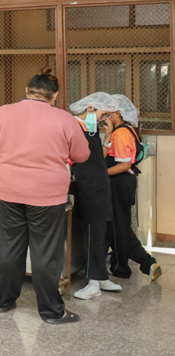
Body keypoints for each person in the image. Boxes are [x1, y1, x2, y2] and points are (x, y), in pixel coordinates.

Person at [0, 69, 88, 324]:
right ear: (55, 95)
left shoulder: (2, 112)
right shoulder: (65, 119)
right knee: (46, 252)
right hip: (47, 196)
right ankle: (52, 311)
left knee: (10, 247)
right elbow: (81, 154)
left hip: (9, 191)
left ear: (27, 91)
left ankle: (2, 301)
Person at [68, 93, 122, 300]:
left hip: (98, 185)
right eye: (103, 114)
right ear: (90, 108)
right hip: (87, 186)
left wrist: (107, 139)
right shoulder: (73, 127)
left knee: (101, 232)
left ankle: (100, 277)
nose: (104, 119)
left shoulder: (90, 129)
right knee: (94, 231)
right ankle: (94, 283)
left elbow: (97, 156)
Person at [106, 95, 161, 281]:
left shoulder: (120, 133)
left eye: (108, 111)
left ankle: (137, 264)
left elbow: (124, 165)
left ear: (117, 113)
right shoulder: (128, 129)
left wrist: (101, 173)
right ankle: (122, 263)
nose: (104, 114)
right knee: (118, 225)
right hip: (124, 183)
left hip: (119, 182)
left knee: (119, 228)